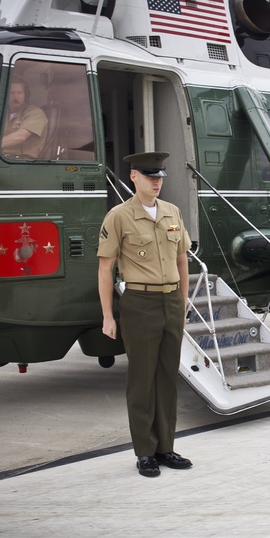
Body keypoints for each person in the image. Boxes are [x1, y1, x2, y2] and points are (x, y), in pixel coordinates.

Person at [97, 152, 193, 478]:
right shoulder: (119, 216)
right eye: (150, 176)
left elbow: (182, 260)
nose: (157, 182)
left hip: (171, 302)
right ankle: (144, 452)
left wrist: (183, 304)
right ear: (134, 176)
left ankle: (166, 447)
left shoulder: (172, 212)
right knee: (142, 380)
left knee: (167, 378)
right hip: (139, 303)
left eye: (161, 176)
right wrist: (108, 316)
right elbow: (105, 267)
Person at [0, 77, 47, 158]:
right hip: (1, 159)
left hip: (20, 163)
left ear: (26, 95)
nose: (16, 97)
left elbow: (20, 137)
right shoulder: (3, 114)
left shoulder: (35, 113)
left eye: (19, 93)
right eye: (12, 93)